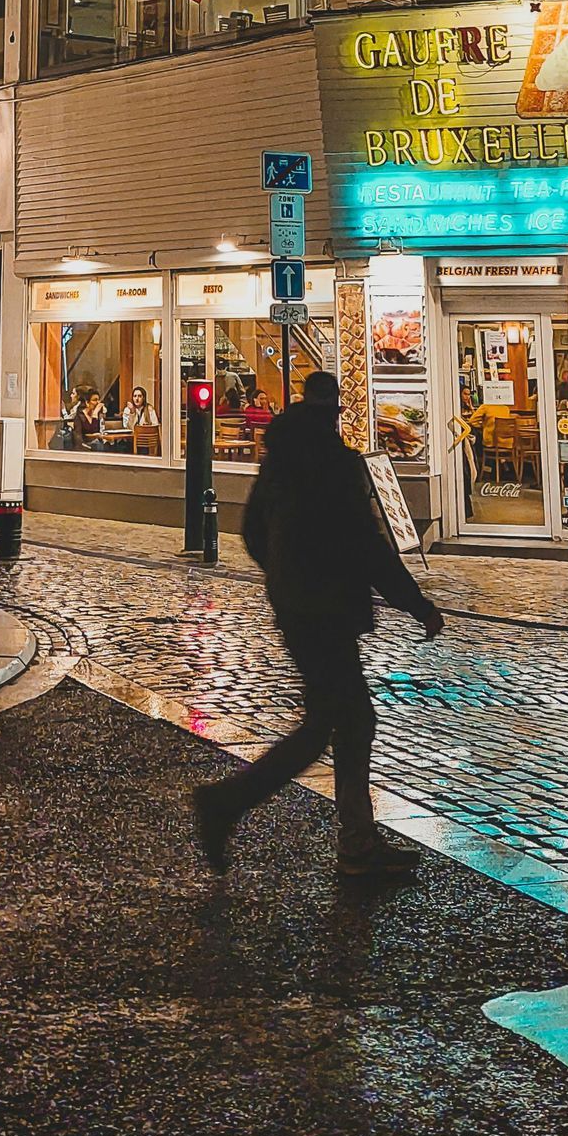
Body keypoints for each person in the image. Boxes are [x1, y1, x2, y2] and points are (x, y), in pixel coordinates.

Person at [191, 370, 444, 879]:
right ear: (335, 412)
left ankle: (357, 838)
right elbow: (366, 544)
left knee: (349, 720)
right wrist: (415, 602)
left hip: (298, 604)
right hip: (328, 607)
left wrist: (284, 577)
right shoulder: (336, 464)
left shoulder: (279, 459)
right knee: (328, 723)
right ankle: (228, 804)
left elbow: (251, 531)